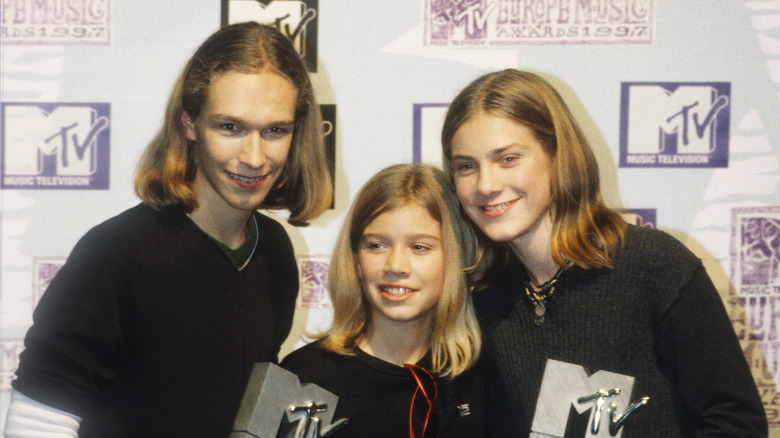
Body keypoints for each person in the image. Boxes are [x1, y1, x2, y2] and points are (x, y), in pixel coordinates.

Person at [5, 21, 332, 438]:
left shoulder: (275, 251)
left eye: (274, 131)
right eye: (230, 127)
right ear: (188, 124)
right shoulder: (114, 255)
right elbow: (37, 423)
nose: (254, 156)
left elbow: (256, 414)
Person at [440, 69, 768, 437]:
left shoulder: (655, 266)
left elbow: (737, 425)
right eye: (466, 166)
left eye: (508, 159)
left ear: (556, 155)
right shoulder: (481, 300)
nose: (486, 184)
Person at [281, 163, 486, 438]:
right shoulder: (297, 378)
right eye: (376, 245)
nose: (396, 266)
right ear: (355, 260)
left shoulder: (479, 376)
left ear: (455, 256)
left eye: (419, 247)